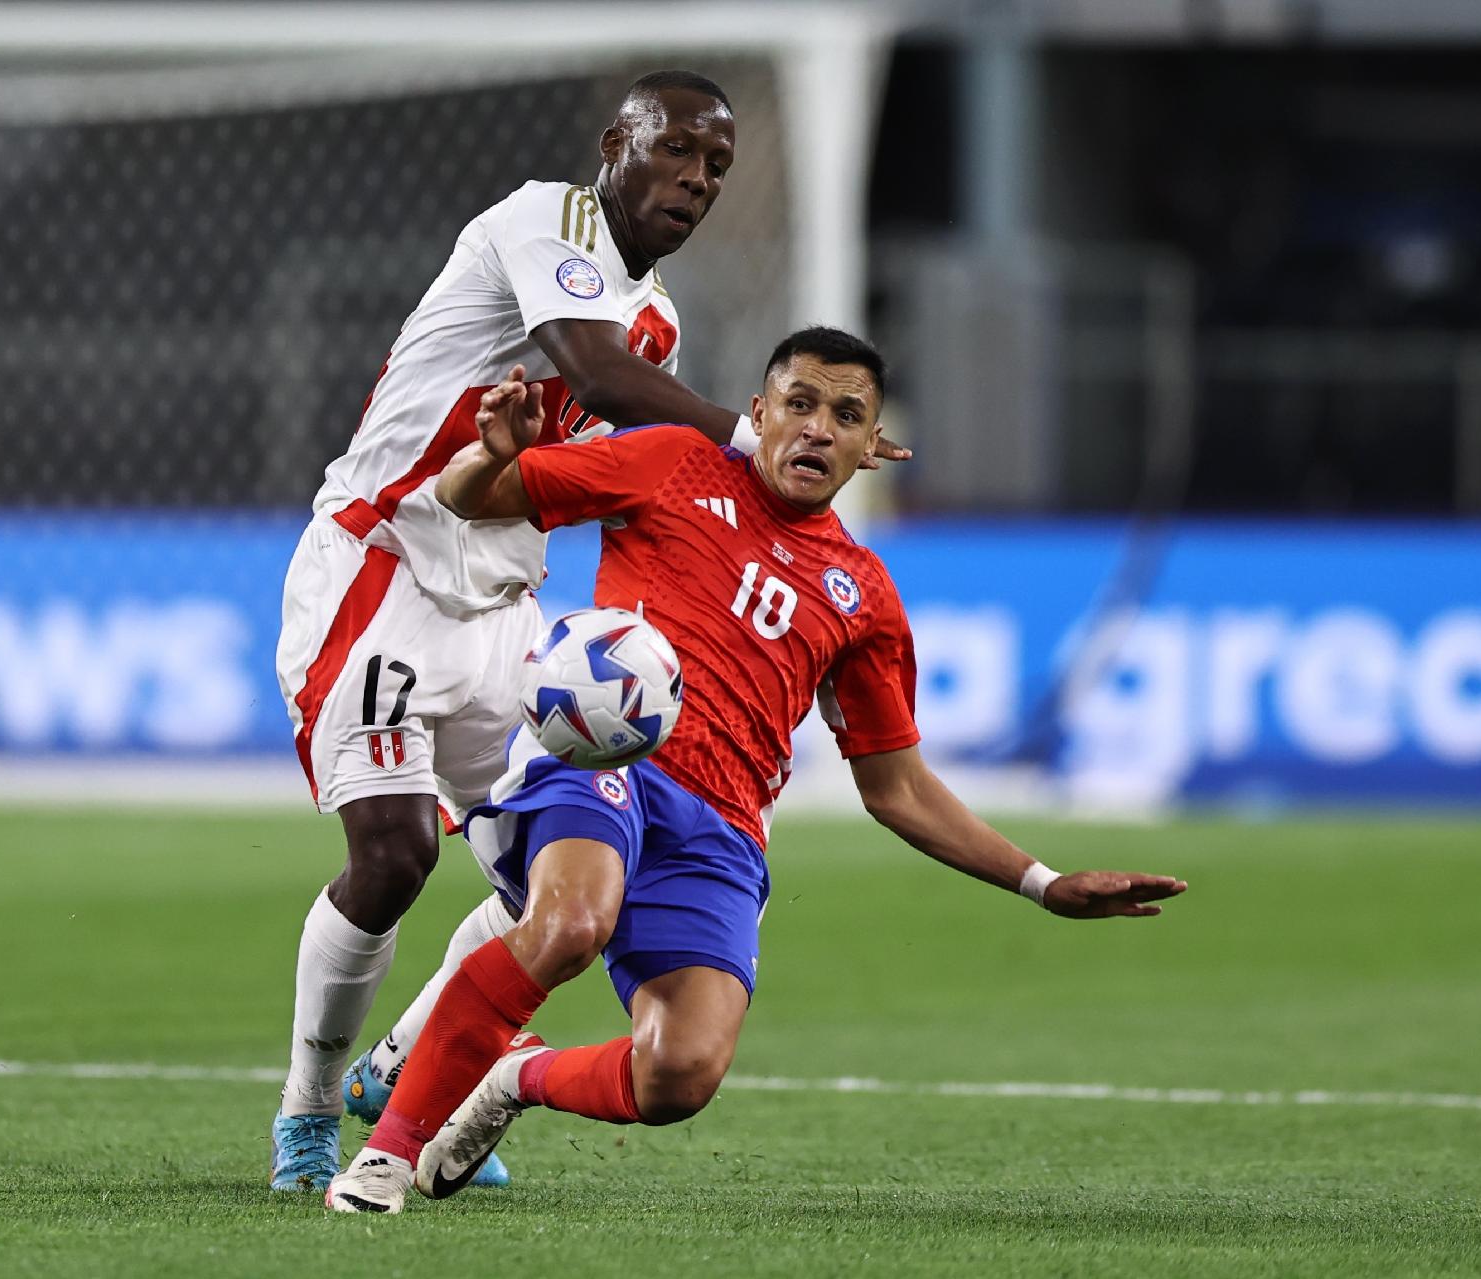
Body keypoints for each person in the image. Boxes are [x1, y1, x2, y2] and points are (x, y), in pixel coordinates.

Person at [323, 327, 1188, 1213]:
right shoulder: (669, 463)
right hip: (601, 757)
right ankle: (386, 1157)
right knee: (572, 923)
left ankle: (512, 1077)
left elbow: (897, 788)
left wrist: (1043, 883)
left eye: (846, 415)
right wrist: (488, 454)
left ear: (872, 447)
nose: (817, 429)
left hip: (722, 829)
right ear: (759, 412)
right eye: (801, 404)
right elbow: (474, 500)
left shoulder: (865, 597)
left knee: (680, 1073)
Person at [272, 71, 904, 1193]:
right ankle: (308, 1120)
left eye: (716, 168)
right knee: (395, 853)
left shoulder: (658, 313)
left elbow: (622, 439)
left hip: (508, 611)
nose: (697, 181)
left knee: (539, 876)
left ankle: (403, 1069)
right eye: (678, 152)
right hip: (385, 567)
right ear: (619, 142)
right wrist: (761, 440)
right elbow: (599, 376)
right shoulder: (545, 220)